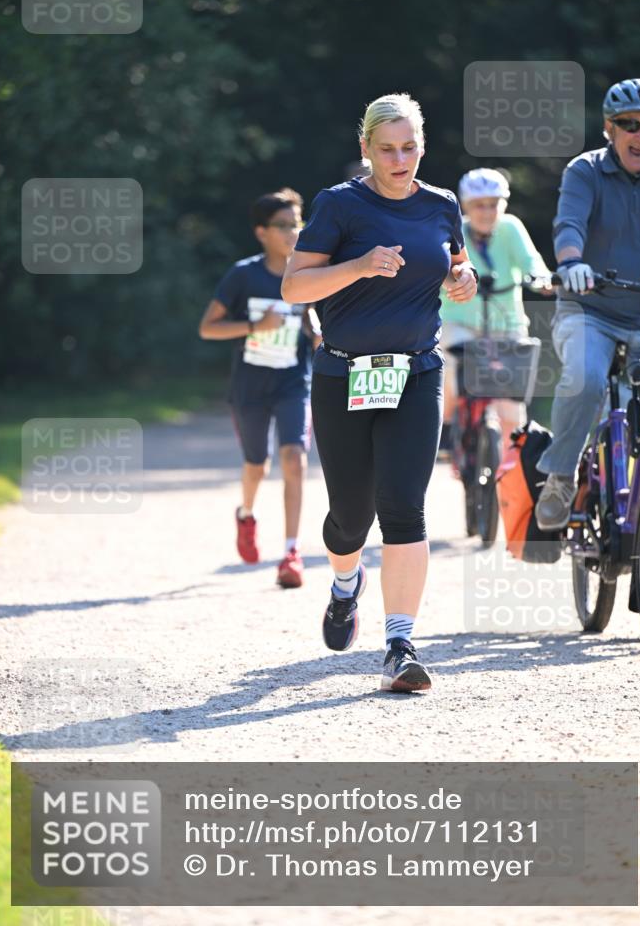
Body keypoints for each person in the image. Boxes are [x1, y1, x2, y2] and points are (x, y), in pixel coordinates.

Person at [282, 93, 477, 692]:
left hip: (417, 372)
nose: (400, 159)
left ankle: (400, 644)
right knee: (349, 518)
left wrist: (462, 279)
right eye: (387, 149)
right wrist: (359, 265)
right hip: (344, 374)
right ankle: (345, 584)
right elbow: (295, 286)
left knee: (403, 507)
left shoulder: (442, 205)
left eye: (410, 147)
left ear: (423, 146)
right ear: (365, 148)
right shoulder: (339, 206)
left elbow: (454, 265)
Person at [535, 78, 640, 531]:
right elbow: (569, 225)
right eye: (630, 125)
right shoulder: (584, 171)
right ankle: (561, 477)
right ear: (610, 128)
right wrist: (571, 264)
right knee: (585, 378)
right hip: (591, 308)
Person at [199, 188, 320, 587]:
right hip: (250, 386)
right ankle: (246, 514)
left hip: (293, 382)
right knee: (256, 465)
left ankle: (291, 551)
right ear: (261, 232)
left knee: (294, 459)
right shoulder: (244, 274)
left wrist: (317, 328)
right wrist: (255, 326)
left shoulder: (308, 272)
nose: (292, 233)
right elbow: (208, 327)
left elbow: (317, 319)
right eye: (282, 226)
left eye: (296, 224)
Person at [439, 168, 551, 454]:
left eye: (494, 204)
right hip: (460, 320)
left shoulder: (511, 227)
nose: (487, 212)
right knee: (449, 363)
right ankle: (447, 427)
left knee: (512, 412)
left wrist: (542, 279)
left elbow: (531, 262)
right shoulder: (455, 231)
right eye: (479, 205)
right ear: (466, 206)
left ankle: (512, 470)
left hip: (507, 323)